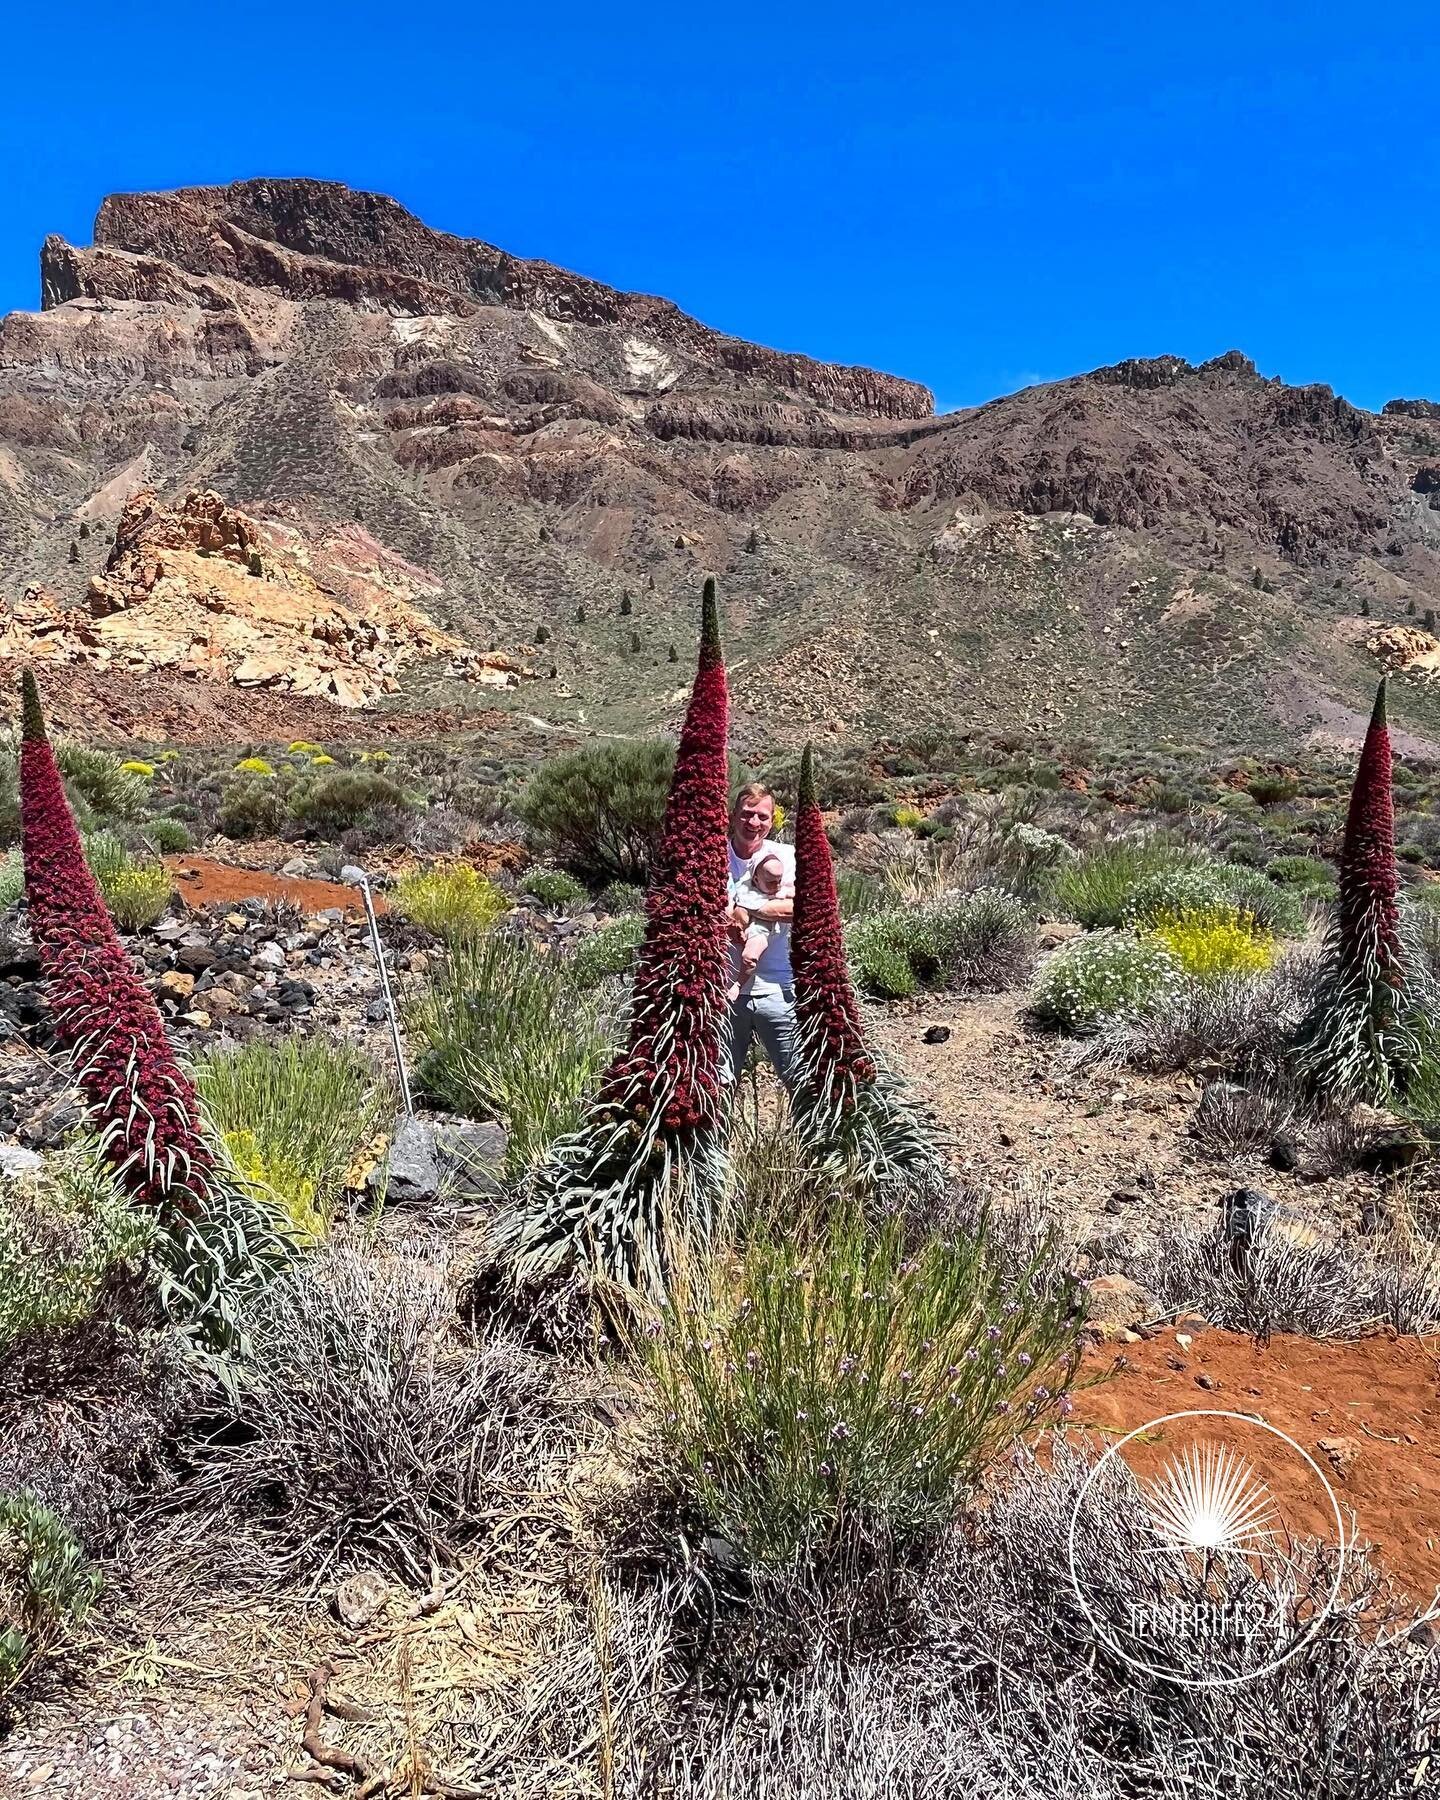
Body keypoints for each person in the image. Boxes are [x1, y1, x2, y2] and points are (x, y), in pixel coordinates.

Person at [722, 783, 797, 1088]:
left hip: (777, 989)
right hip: (725, 993)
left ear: (772, 819)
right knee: (720, 1084)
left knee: (800, 1079)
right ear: (732, 815)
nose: (754, 823)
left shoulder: (786, 856)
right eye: (747, 814)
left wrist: (746, 905)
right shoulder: (715, 857)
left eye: (762, 817)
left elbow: (801, 908)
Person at [727, 851, 786, 1003]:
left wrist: (748, 909)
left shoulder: (780, 892)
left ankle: (739, 984)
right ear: (755, 879)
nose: (777, 886)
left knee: (750, 956)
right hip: (743, 930)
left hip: (760, 931)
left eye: (779, 880)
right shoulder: (745, 889)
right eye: (771, 882)